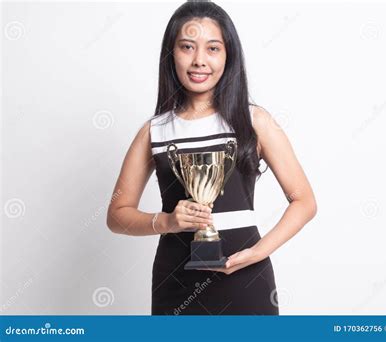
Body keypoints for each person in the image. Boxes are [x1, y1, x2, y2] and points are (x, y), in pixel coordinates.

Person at [106, 0, 317, 315]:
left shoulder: (254, 121)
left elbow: (304, 201)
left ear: (228, 55)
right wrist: (166, 221)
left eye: (213, 48)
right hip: (175, 282)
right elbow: (116, 215)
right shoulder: (155, 131)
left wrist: (258, 252)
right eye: (187, 47)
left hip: (247, 278)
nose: (199, 60)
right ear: (171, 53)